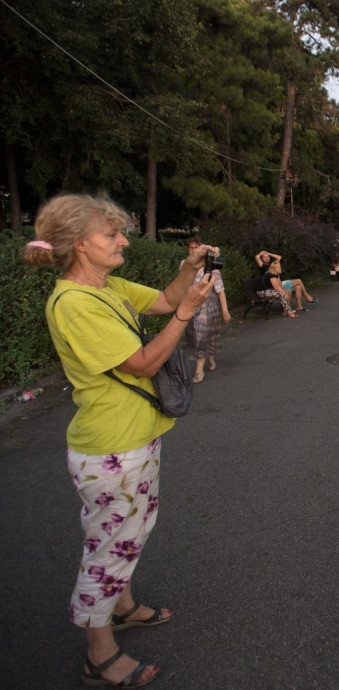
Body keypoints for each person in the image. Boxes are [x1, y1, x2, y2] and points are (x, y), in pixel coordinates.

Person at [21, 193, 218, 687]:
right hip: (111, 449)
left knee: (132, 531)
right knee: (108, 549)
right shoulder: (74, 303)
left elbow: (165, 299)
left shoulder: (104, 287)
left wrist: (187, 268)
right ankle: (99, 654)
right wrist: (186, 314)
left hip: (135, 438)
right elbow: (144, 363)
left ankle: (123, 606)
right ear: (81, 245)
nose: (123, 240)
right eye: (111, 234)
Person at [183, 237, 231, 383]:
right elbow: (181, 285)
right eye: (190, 247)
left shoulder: (211, 266)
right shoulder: (184, 264)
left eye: (195, 247)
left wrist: (225, 310)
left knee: (201, 334)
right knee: (194, 335)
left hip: (207, 306)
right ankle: (209, 357)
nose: (192, 250)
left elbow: (220, 290)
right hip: (191, 305)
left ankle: (199, 371)